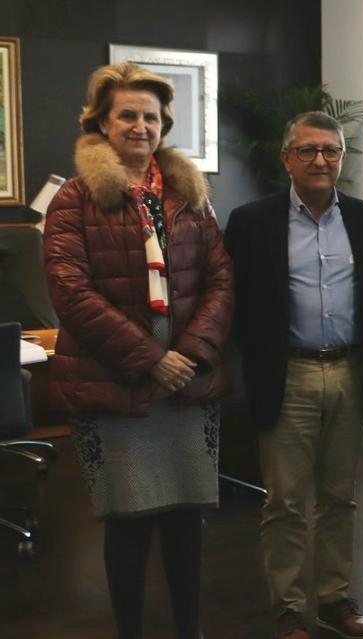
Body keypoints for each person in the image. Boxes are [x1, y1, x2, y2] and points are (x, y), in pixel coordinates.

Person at [43, 62, 233, 639]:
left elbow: (221, 279)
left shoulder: (188, 195)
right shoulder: (74, 198)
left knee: (186, 519)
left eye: (151, 116)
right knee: (126, 523)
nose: (140, 125)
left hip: (187, 384)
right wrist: (152, 359)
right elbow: (69, 293)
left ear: (164, 125)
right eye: (127, 114)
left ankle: (188, 629)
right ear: (101, 121)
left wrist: (190, 355)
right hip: (115, 381)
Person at [224, 112, 363, 639]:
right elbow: (233, 304)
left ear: (341, 158)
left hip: (349, 371)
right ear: (287, 158)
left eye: (330, 151)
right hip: (287, 374)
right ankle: (289, 607)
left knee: (341, 496)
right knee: (287, 500)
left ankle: (335, 598)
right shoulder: (252, 221)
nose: (320, 160)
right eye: (309, 150)